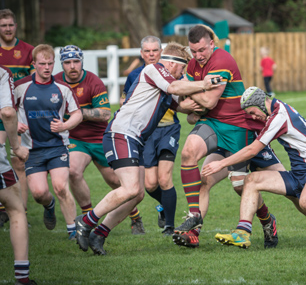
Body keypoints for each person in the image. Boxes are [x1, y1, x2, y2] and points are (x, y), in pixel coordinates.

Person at [74, 42, 220, 255]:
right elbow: (175, 88)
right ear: (171, 63)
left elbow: (184, 107)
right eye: (182, 68)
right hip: (122, 134)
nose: (182, 73)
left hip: (135, 139)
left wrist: (205, 104)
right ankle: (86, 221)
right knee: (131, 189)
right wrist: (203, 84)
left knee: (137, 194)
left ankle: (100, 234)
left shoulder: (166, 82)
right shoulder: (154, 70)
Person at [202, 87, 306, 249]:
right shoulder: (278, 109)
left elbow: (253, 150)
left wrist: (221, 163)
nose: (254, 117)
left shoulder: (279, 116)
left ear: (260, 103)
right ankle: (242, 233)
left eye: (253, 112)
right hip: (297, 173)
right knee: (251, 180)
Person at [171, 25, 280, 249]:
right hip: (211, 124)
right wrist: (190, 103)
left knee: (240, 186)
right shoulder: (193, 64)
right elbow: (182, 103)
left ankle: (268, 220)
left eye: (202, 50)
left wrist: (190, 97)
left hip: (237, 128)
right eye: (193, 51)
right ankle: (193, 227)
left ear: (212, 43)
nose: (198, 56)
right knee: (192, 158)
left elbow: (207, 101)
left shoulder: (222, 61)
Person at [53, 45, 146, 237]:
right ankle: (87, 218)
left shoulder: (93, 81)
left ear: (81, 62)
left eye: (76, 61)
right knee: (73, 171)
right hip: (75, 139)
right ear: (61, 64)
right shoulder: (55, 83)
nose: (72, 66)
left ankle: (135, 217)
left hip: (100, 138)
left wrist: (78, 114)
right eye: (67, 62)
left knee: (117, 182)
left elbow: (105, 114)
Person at [14, 44, 82, 238]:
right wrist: (16, 124)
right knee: (39, 193)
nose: (46, 67)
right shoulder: (21, 87)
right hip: (32, 149)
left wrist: (65, 126)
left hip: (57, 146)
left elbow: (77, 114)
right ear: (33, 64)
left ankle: (73, 231)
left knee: (61, 186)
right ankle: (49, 205)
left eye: (50, 63)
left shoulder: (62, 88)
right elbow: (7, 111)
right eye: (42, 64)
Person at [121, 36, 181, 236]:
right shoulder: (135, 75)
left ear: (161, 52)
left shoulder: (172, 72)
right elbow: (125, 99)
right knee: (150, 185)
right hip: (146, 132)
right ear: (141, 54)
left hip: (168, 128)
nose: (152, 54)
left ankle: (170, 227)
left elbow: (180, 94)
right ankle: (165, 207)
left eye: (155, 50)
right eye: (147, 51)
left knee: (164, 179)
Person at [0, 66, 43, 285]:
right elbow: (7, 112)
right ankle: (22, 281)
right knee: (15, 209)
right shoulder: (2, 72)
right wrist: (16, 147)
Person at [0, 9, 34, 226]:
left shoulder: (28, 51)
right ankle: (5, 209)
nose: (8, 29)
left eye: (11, 25)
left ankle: (21, 212)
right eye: (3, 26)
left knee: (18, 163)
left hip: (21, 112)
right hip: (2, 112)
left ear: (16, 25)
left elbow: (34, 84)